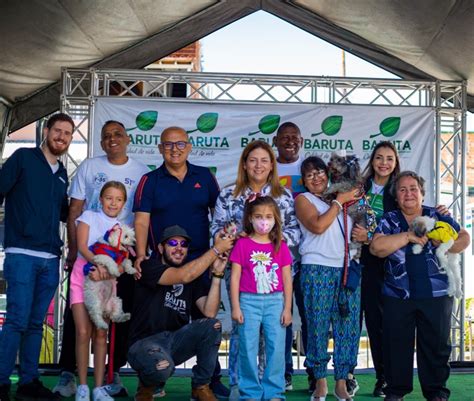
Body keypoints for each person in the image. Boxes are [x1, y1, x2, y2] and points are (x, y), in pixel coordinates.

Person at [53, 120, 148, 398]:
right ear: (101, 142)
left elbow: (142, 217)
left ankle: (111, 373)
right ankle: (69, 374)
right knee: (79, 321)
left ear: (128, 138)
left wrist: (135, 256)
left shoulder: (141, 171)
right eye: (106, 136)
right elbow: (75, 209)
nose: (112, 139)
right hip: (88, 261)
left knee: (112, 320)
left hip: (120, 260)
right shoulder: (89, 167)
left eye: (118, 134)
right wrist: (75, 251)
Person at [133, 126, 227, 398]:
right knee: (160, 317)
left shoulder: (205, 177)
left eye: (180, 144)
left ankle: (207, 381)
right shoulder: (149, 180)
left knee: (206, 320)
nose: (175, 149)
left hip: (201, 258)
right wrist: (141, 254)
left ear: (189, 147)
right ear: (160, 148)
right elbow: (141, 220)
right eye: (169, 145)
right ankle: (153, 378)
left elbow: (217, 214)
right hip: (163, 262)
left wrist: (217, 253)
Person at [210, 140, 300, 401]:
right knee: (243, 331)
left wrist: (268, 241)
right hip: (240, 272)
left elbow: (294, 231)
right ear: (245, 164)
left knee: (273, 335)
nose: (258, 165)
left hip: (274, 274)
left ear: (272, 164)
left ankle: (272, 388)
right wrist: (237, 239)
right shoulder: (229, 195)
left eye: (264, 160)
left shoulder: (283, 196)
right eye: (253, 160)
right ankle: (242, 386)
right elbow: (215, 231)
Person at [370, 171, 470, 401]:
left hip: (436, 295)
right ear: (396, 196)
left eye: (413, 188)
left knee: (436, 346)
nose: (408, 193)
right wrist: (407, 236)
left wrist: (446, 243)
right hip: (397, 296)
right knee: (396, 345)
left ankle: (436, 392)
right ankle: (395, 391)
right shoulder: (389, 220)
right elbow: (376, 248)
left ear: (422, 194)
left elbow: (464, 238)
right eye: (403, 190)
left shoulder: (438, 215)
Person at [0, 113, 74, 401]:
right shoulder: (23, 158)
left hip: (50, 256)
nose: (62, 137)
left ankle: (29, 382)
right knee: (17, 320)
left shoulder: (63, 172)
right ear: (46, 131)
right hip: (21, 253)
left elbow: (67, 213)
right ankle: (3, 382)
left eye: (68, 133)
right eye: (58, 130)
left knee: (34, 323)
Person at [127, 225, 234, 401]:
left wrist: (217, 275)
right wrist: (216, 249)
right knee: (162, 367)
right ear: (161, 248)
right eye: (173, 243)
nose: (179, 248)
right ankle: (146, 386)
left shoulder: (193, 277)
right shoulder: (147, 266)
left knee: (212, 325)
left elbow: (209, 311)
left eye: (183, 244)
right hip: (144, 343)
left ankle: (200, 386)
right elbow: (184, 275)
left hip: (174, 341)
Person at [295, 156, 362, 401]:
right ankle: (320, 381)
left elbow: (366, 221)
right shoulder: (304, 199)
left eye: (320, 172)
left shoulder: (346, 196)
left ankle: (342, 382)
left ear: (329, 173)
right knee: (317, 326)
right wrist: (338, 202)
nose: (316, 178)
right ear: (304, 181)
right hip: (317, 269)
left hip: (348, 268)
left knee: (349, 327)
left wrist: (365, 233)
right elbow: (318, 226)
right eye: (310, 175)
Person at [70, 181, 129, 401]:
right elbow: (83, 246)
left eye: (118, 199)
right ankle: (83, 386)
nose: (113, 203)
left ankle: (98, 388)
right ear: (101, 199)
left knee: (101, 334)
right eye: (109, 198)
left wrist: (107, 273)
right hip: (82, 277)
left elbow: (123, 260)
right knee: (83, 332)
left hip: (106, 283)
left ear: (124, 203)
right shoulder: (88, 216)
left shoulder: (122, 229)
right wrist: (98, 267)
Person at [229, 196, 293, 401]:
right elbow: (235, 278)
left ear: (276, 219)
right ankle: (249, 392)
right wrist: (236, 307)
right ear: (250, 218)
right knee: (248, 347)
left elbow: (287, 279)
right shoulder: (242, 245)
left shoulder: (280, 246)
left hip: (275, 301)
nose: (263, 221)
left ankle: (274, 391)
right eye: (258, 216)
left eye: (268, 216)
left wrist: (287, 308)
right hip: (249, 301)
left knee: (276, 347)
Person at [273, 122, 312, 391]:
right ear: (275, 141)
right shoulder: (267, 169)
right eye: (284, 138)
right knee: (281, 316)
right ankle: (284, 372)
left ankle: (314, 371)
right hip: (277, 258)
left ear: (301, 140)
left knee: (311, 315)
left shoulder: (311, 170)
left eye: (294, 138)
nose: (290, 142)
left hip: (310, 254)